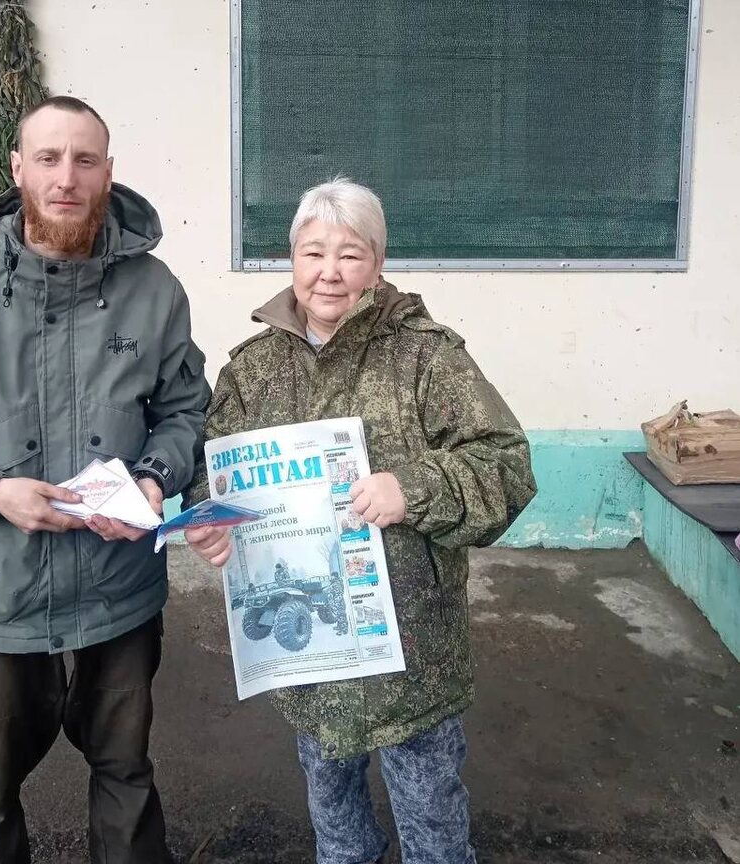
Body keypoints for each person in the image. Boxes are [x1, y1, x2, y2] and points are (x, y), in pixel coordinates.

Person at [0, 96, 210, 864]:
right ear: (18, 168)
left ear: (108, 172)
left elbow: (183, 413)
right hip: (2, 587)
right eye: (49, 158)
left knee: (126, 772)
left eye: (85, 160)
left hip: (120, 581)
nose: (66, 178)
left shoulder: (155, 292)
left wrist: (156, 479)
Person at [185, 178, 535, 864]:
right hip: (310, 659)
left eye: (350, 254)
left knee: (432, 821)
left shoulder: (426, 357)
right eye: (314, 252)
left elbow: (506, 466)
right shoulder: (255, 370)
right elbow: (212, 466)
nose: (330, 272)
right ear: (291, 259)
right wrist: (211, 518)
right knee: (335, 818)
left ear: (377, 263)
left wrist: (414, 488)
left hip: (412, 650)